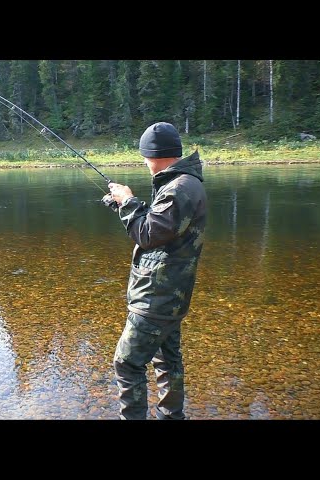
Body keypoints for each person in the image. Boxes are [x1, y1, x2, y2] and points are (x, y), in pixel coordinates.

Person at [102, 121, 207, 420]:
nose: (145, 162)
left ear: (155, 155)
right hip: (170, 295)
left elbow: (148, 233)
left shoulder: (179, 188)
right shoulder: (184, 183)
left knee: (127, 363)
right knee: (166, 359)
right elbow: (162, 228)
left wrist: (129, 202)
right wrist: (124, 206)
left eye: (145, 156)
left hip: (157, 296)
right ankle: (171, 416)